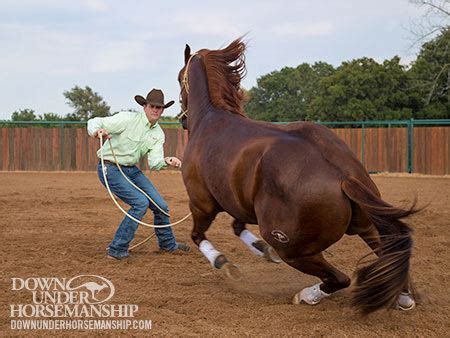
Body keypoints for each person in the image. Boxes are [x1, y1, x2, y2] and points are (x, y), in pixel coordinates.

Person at [87, 88, 190, 260]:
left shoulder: (158, 134)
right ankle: (117, 249)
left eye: (160, 107)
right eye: (152, 106)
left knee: (161, 206)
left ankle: (168, 244)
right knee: (141, 203)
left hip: (131, 170)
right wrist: (97, 131)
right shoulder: (126, 119)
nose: (156, 110)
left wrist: (167, 161)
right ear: (145, 106)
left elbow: (155, 163)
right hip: (110, 169)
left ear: (163, 110)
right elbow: (95, 121)